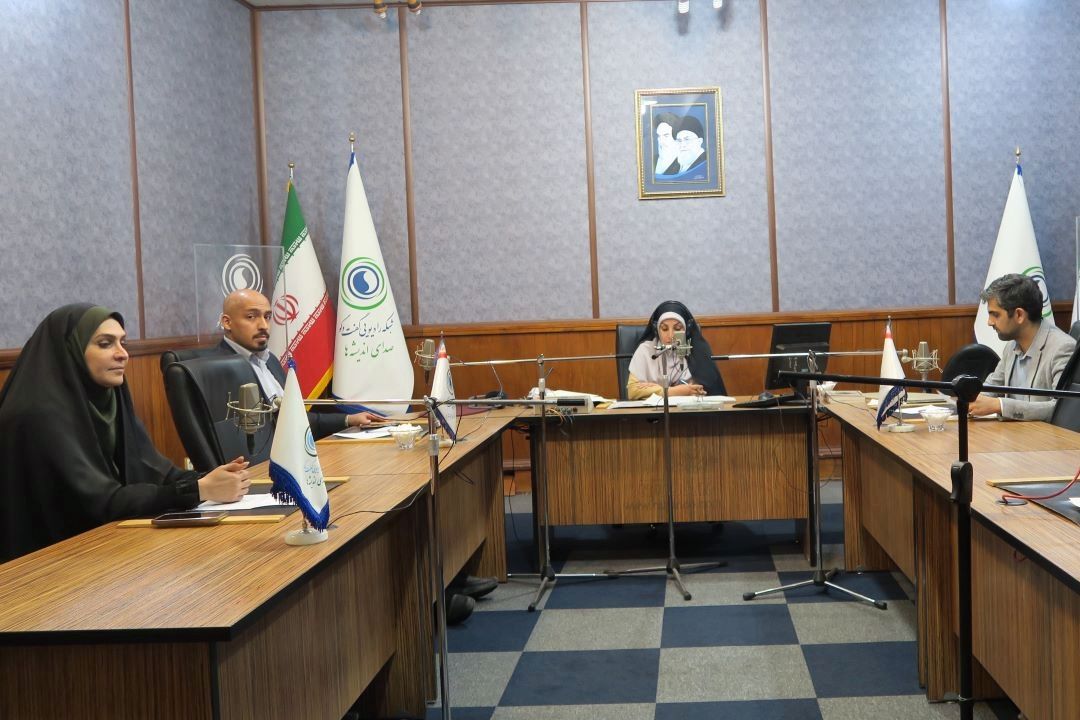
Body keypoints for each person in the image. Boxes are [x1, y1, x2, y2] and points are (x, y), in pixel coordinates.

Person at [0, 304, 251, 562]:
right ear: (70, 350)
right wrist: (197, 490)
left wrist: (209, 478)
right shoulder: (38, 415)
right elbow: (101, 502)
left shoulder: (108, 397)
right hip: (47, 564)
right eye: (105, 344)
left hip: (104, 548)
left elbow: (154, 469)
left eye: (123, 343)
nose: (122, 354)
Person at [218, 289, 379, 439]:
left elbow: (296, 419)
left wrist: (349, 419)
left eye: (267, 317)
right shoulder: (216, 369)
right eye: (251, 317)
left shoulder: (270, 361)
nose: (263, 326)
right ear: (227, 322)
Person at [969, 274, 1076, 421]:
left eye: (995, 315)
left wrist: (1000, 405)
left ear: (1019, 315)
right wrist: (970, 399)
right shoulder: (1011, 346)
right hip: (1014, 432)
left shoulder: (1062, 348)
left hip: (1043, 435)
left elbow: (1061, 408)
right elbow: (990, 388)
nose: (989, 322)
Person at [626, 300, 727, 400]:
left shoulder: (695, 351)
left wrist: (655, 389)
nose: (671, 336)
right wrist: (675, 391)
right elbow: (633, 391)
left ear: (686, 331)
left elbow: (702, 390)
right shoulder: (645, 350)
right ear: (657, 331)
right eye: (664, 329)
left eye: (677, 329)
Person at [653, 112, 681, 176]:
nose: (661, 141)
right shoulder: (653, 160)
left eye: (666, 135)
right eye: (659, 136)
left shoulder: (683, 164)